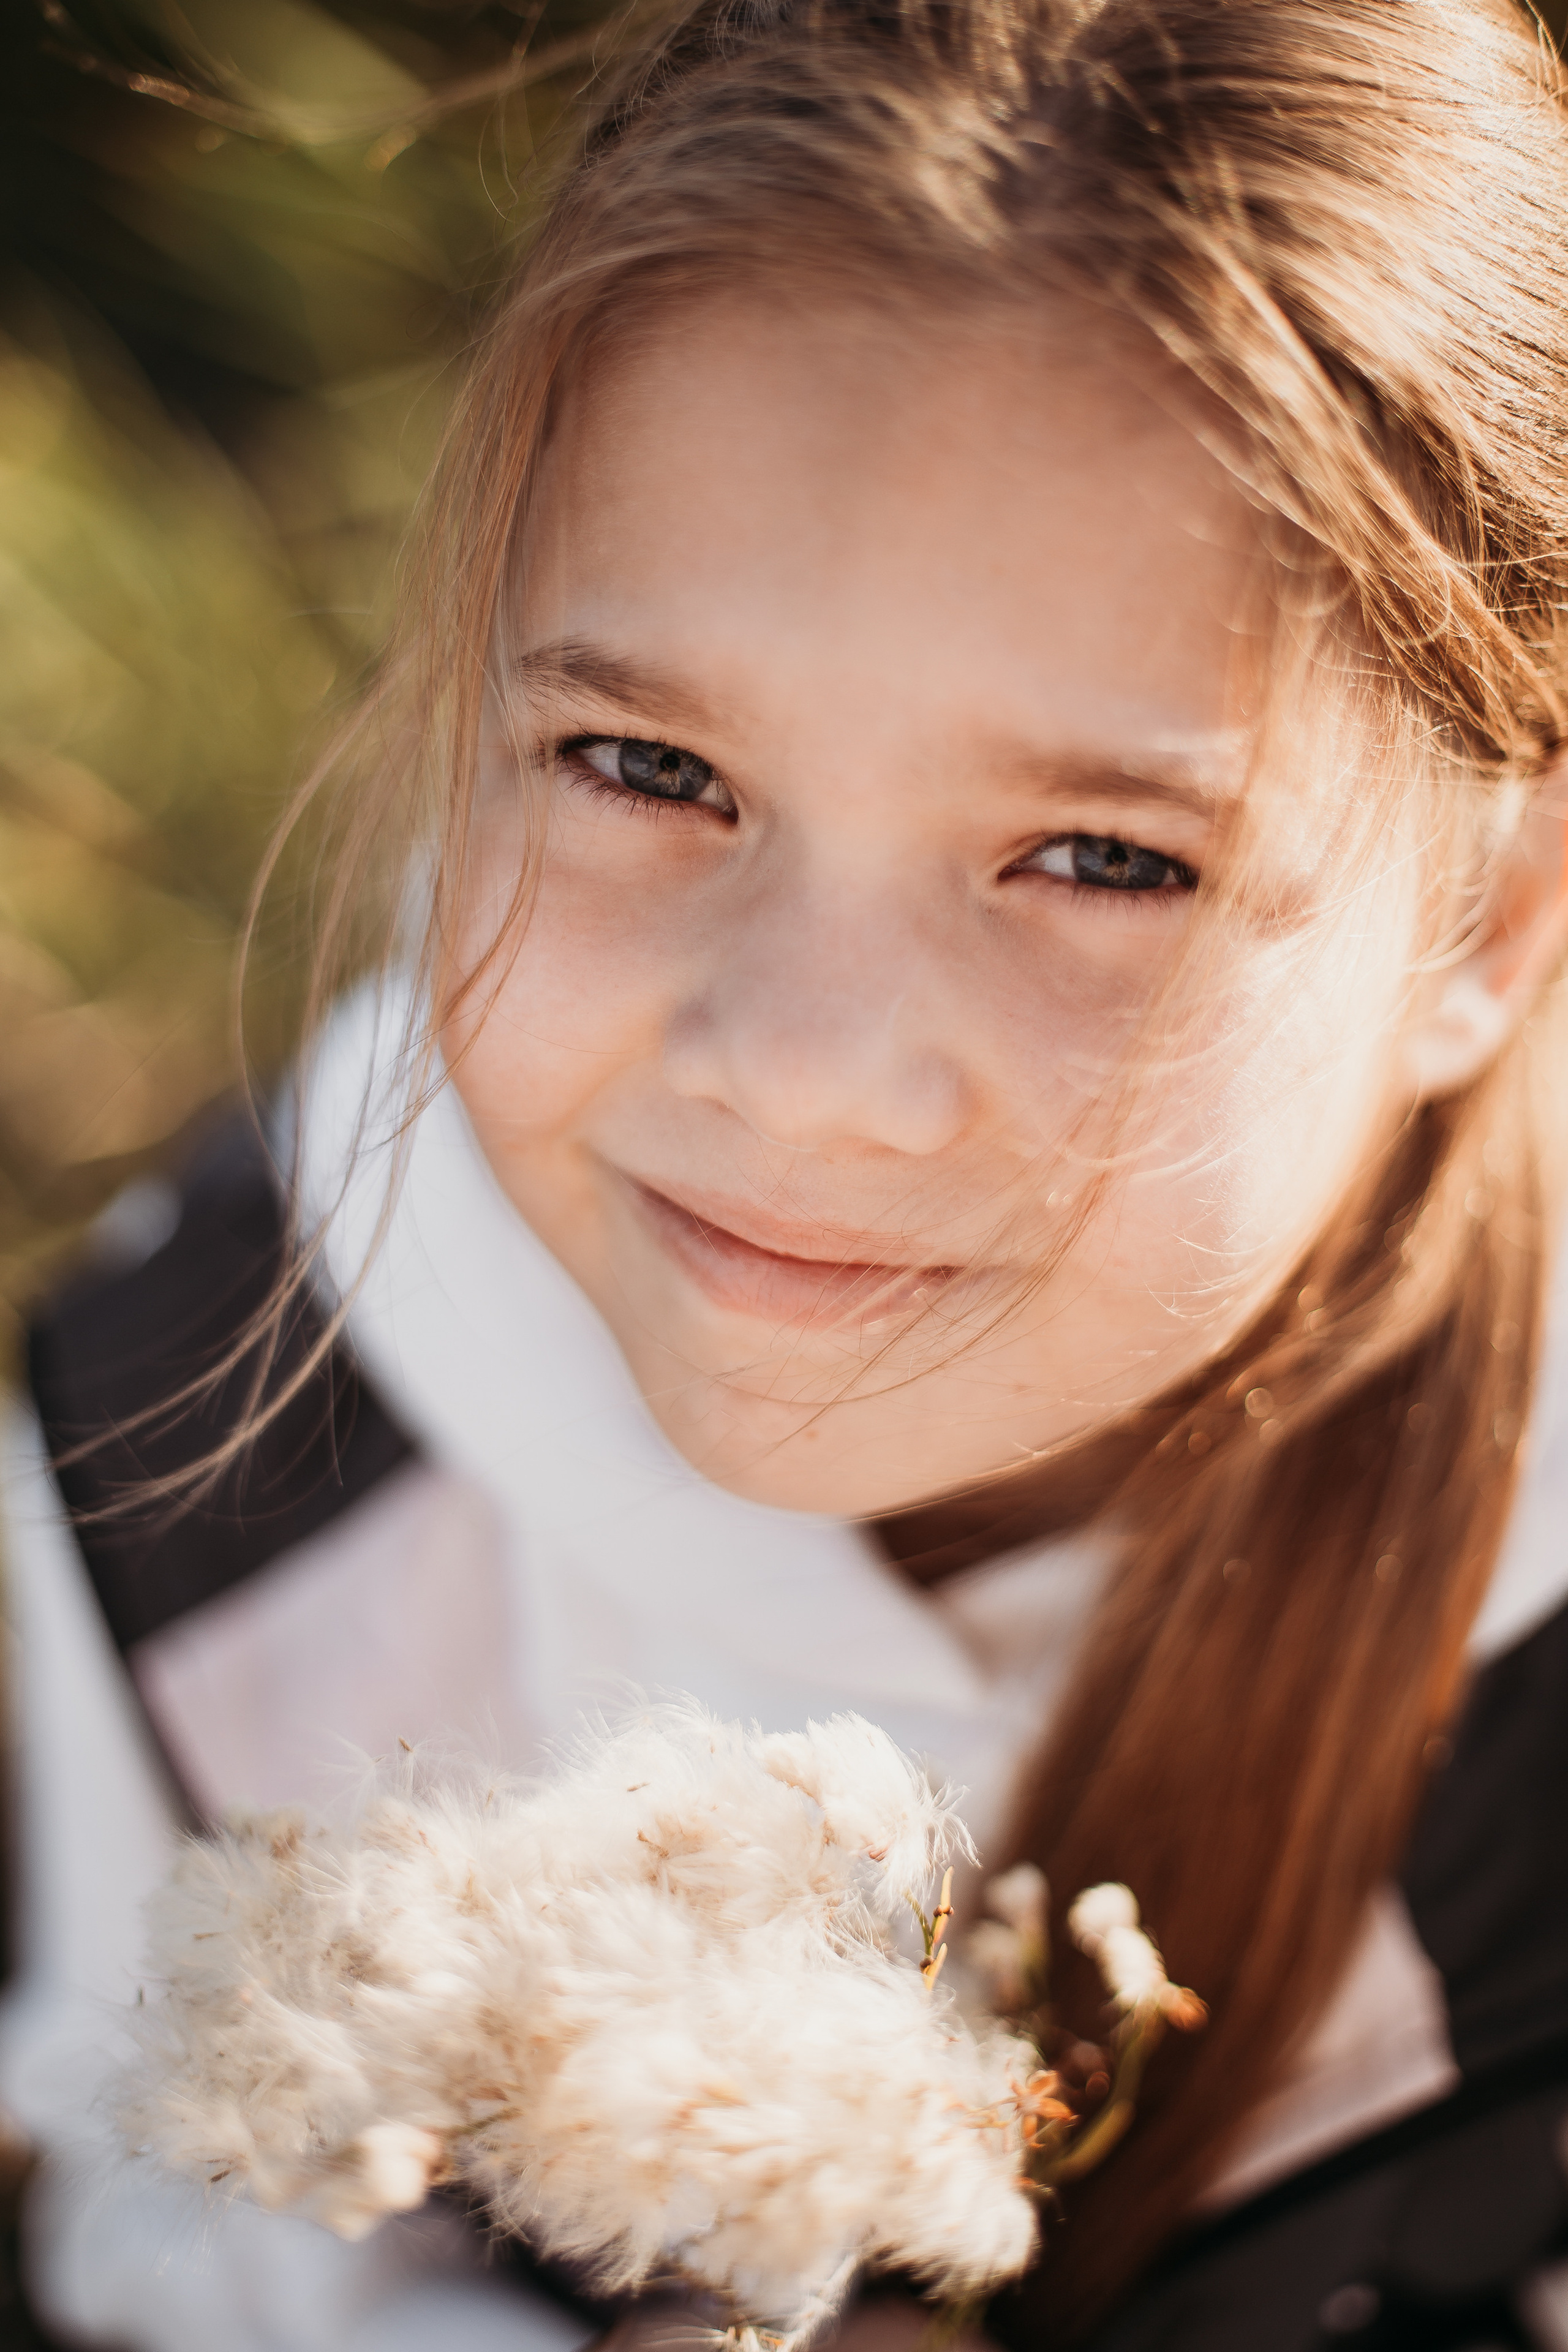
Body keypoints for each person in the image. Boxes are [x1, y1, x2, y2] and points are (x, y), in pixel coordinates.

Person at [7, 0, 1568, 2343]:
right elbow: (139, 2220)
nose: (811, 1074)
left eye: (1098, 858)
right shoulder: (206, 1476)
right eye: (647, 765)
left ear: (1492, 925)